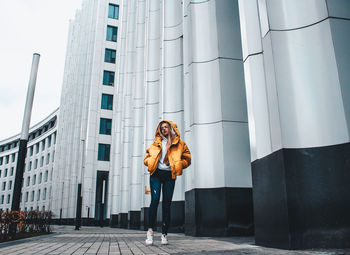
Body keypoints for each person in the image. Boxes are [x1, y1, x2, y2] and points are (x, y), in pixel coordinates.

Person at [144, 120, 191, 245]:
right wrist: (149, 162)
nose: (164, 129)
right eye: (162, 127)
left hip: (170, 175)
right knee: (154, 200)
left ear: (170, 128)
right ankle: (150, 231)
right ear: (159, 130)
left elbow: (187, 158)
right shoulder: (156, 143)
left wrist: (179, 164)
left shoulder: (180, 144)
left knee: (167, 204)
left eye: (166, 127)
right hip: (156, 174)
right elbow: (147, 157)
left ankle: (164, 234)